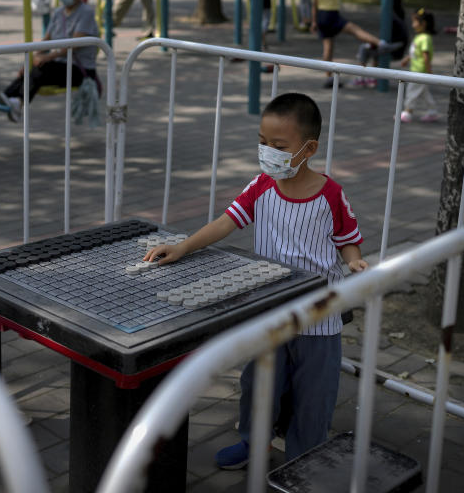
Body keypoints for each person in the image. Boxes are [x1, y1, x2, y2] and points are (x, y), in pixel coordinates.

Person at [142, 92, 368, 468]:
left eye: (279, 146)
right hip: (269, 313)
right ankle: (254, 442)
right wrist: (183, 247)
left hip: (319, 318)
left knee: (314, 396)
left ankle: (303, 460)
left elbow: (349, 240)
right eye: (263, 143)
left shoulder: (331, 195)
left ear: (308, 148)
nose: (268, 152)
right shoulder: (262, 185)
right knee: (258, 385)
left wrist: (356, 263)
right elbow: (226, 222)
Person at [0, 0, 100, 122]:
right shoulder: (58, 13)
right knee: (33, 69)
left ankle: (17, 102)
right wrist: (30, 62)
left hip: (80, 69)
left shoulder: (86, 13)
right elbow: (45, 41)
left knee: (44, 67)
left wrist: (46, 57)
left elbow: (74, 44)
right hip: (60, 65)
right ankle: (5, 100)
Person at [311, 0, 391, 87]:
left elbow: (315, 4)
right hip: (332, 14)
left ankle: (328, 77)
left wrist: (314, 22)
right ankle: (381, 43)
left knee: (327, 48)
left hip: (321, 16)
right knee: (355, 30)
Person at [354, 0, 408, 87]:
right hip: (398, 47)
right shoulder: (398, 13)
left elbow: (388, 39)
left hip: (395, 48)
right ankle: (371, 77)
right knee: (372, 48)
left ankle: (362, 78)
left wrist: (374, 43)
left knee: (364, 48)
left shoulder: (391, 17)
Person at [399, 8, 439, 123]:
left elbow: (425, 56)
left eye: (414, 22)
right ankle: (432, 112)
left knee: (412, 91)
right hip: (416, 71)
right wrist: (407, 59)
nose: (412, 25)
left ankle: (407, 112)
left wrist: (429, 71)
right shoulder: (419, 37)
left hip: (420, 72)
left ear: (423, 23)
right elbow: (415, 52)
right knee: (424, 93)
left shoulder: (425, 38)